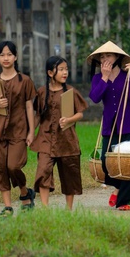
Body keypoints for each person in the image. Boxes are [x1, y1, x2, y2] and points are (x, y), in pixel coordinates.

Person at [88, 41, 130, 211]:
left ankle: (125, 201)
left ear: (117, 58)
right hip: (110, 124)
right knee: (106, 162)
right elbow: (95, 97)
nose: (104, 59)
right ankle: (117, 187)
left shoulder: (127, 74)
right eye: (102, 56)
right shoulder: (97, 78)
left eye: (108, 55)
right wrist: (105, 77)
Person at [0, 40, 37, 218]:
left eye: (9, 54)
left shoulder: (24, 80)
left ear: (15, 57)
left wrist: (31, 132)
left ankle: (24, 192)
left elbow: (30, 107)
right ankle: (7, 207)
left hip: (19, 130)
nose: (6, 58)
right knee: (0, 169)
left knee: (13, 166)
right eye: (2, 55)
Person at [31, 56, 87, 210]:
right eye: (61, 69)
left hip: (67, 140)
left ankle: (68, 209)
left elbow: (80, 114)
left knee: (69, 174)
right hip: (45, 138)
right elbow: (37, 116)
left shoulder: (71, 92)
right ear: (50, 73)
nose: (65, 72)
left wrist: (69, 120)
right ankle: (44, 209)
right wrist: (30, 134)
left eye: (66, 69)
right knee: (43, 170)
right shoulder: (42, 92)